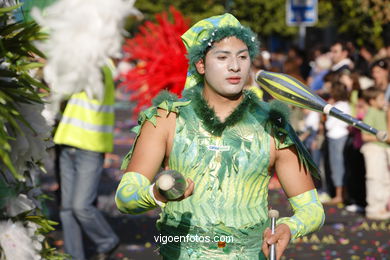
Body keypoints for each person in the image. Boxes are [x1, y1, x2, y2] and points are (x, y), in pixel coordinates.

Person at [115, 14, 324, 259]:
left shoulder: (272, 126)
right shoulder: (166, 120)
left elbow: (311, 209)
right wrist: (157, 194)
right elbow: (125, 197)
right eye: (222, 57)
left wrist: (290, 227)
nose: (235, 66)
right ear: (201, 65)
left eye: (243, 56)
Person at [53, 63, 119, 260]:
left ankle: (107, 241)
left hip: (90, 147)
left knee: (81, 206)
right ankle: (73, 256)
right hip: (67, 143)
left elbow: (71, 82)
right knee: (67, 209)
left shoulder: (99, 68)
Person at [360, 87, 390, 220]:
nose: (384, 101)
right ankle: (373, 209)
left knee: (384, 179)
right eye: (381, 99)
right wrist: (381, 137)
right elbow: (364, 136)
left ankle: (382, 208)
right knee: (374, 178)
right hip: (373, 149)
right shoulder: (371, 113)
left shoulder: (382, 112)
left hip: (382, 149)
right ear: (372, 101)